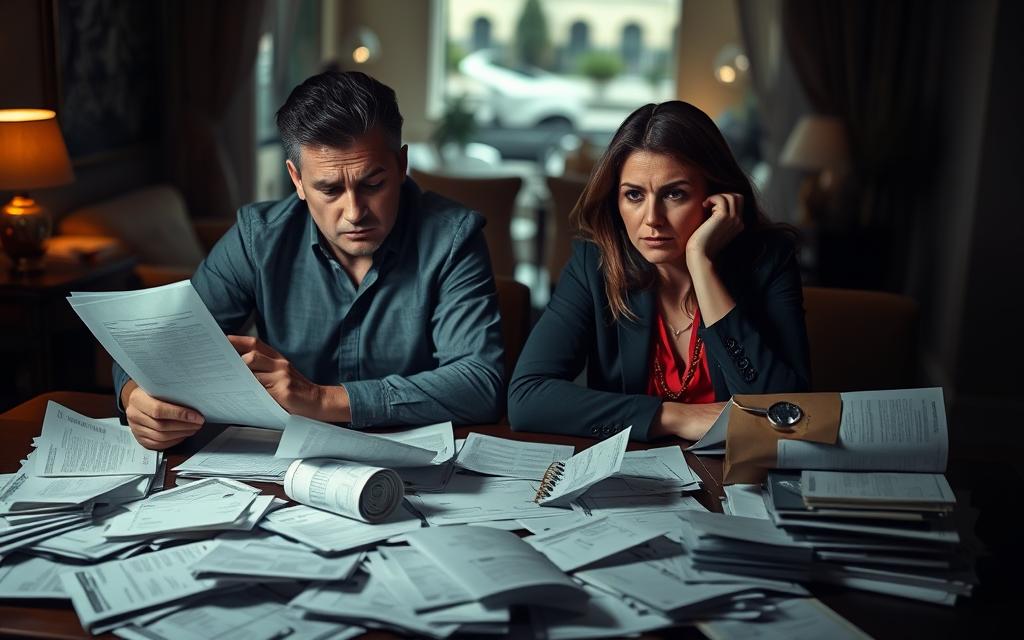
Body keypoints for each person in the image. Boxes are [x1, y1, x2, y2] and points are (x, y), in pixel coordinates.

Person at [116, 71, 504, 450]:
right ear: (297, 180)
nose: (354, 212)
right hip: (284, 473)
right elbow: (157, 349)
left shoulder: (453, 237)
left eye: (373, 184)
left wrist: (320, 399)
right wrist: (136, 397)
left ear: (402, 166)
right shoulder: (258, 238)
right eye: (330, 189)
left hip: (418, 469)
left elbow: (479, 384)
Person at [508, 101, 810, 443]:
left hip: (738, 479)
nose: (652, 218)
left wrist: (701, 263)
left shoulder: (768, 262)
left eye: (675, 194)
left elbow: (785, 409)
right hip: (635, 480)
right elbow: (527, 399)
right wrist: (673, 416)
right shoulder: (594, 264)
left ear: (715, 198)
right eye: (634, 195)